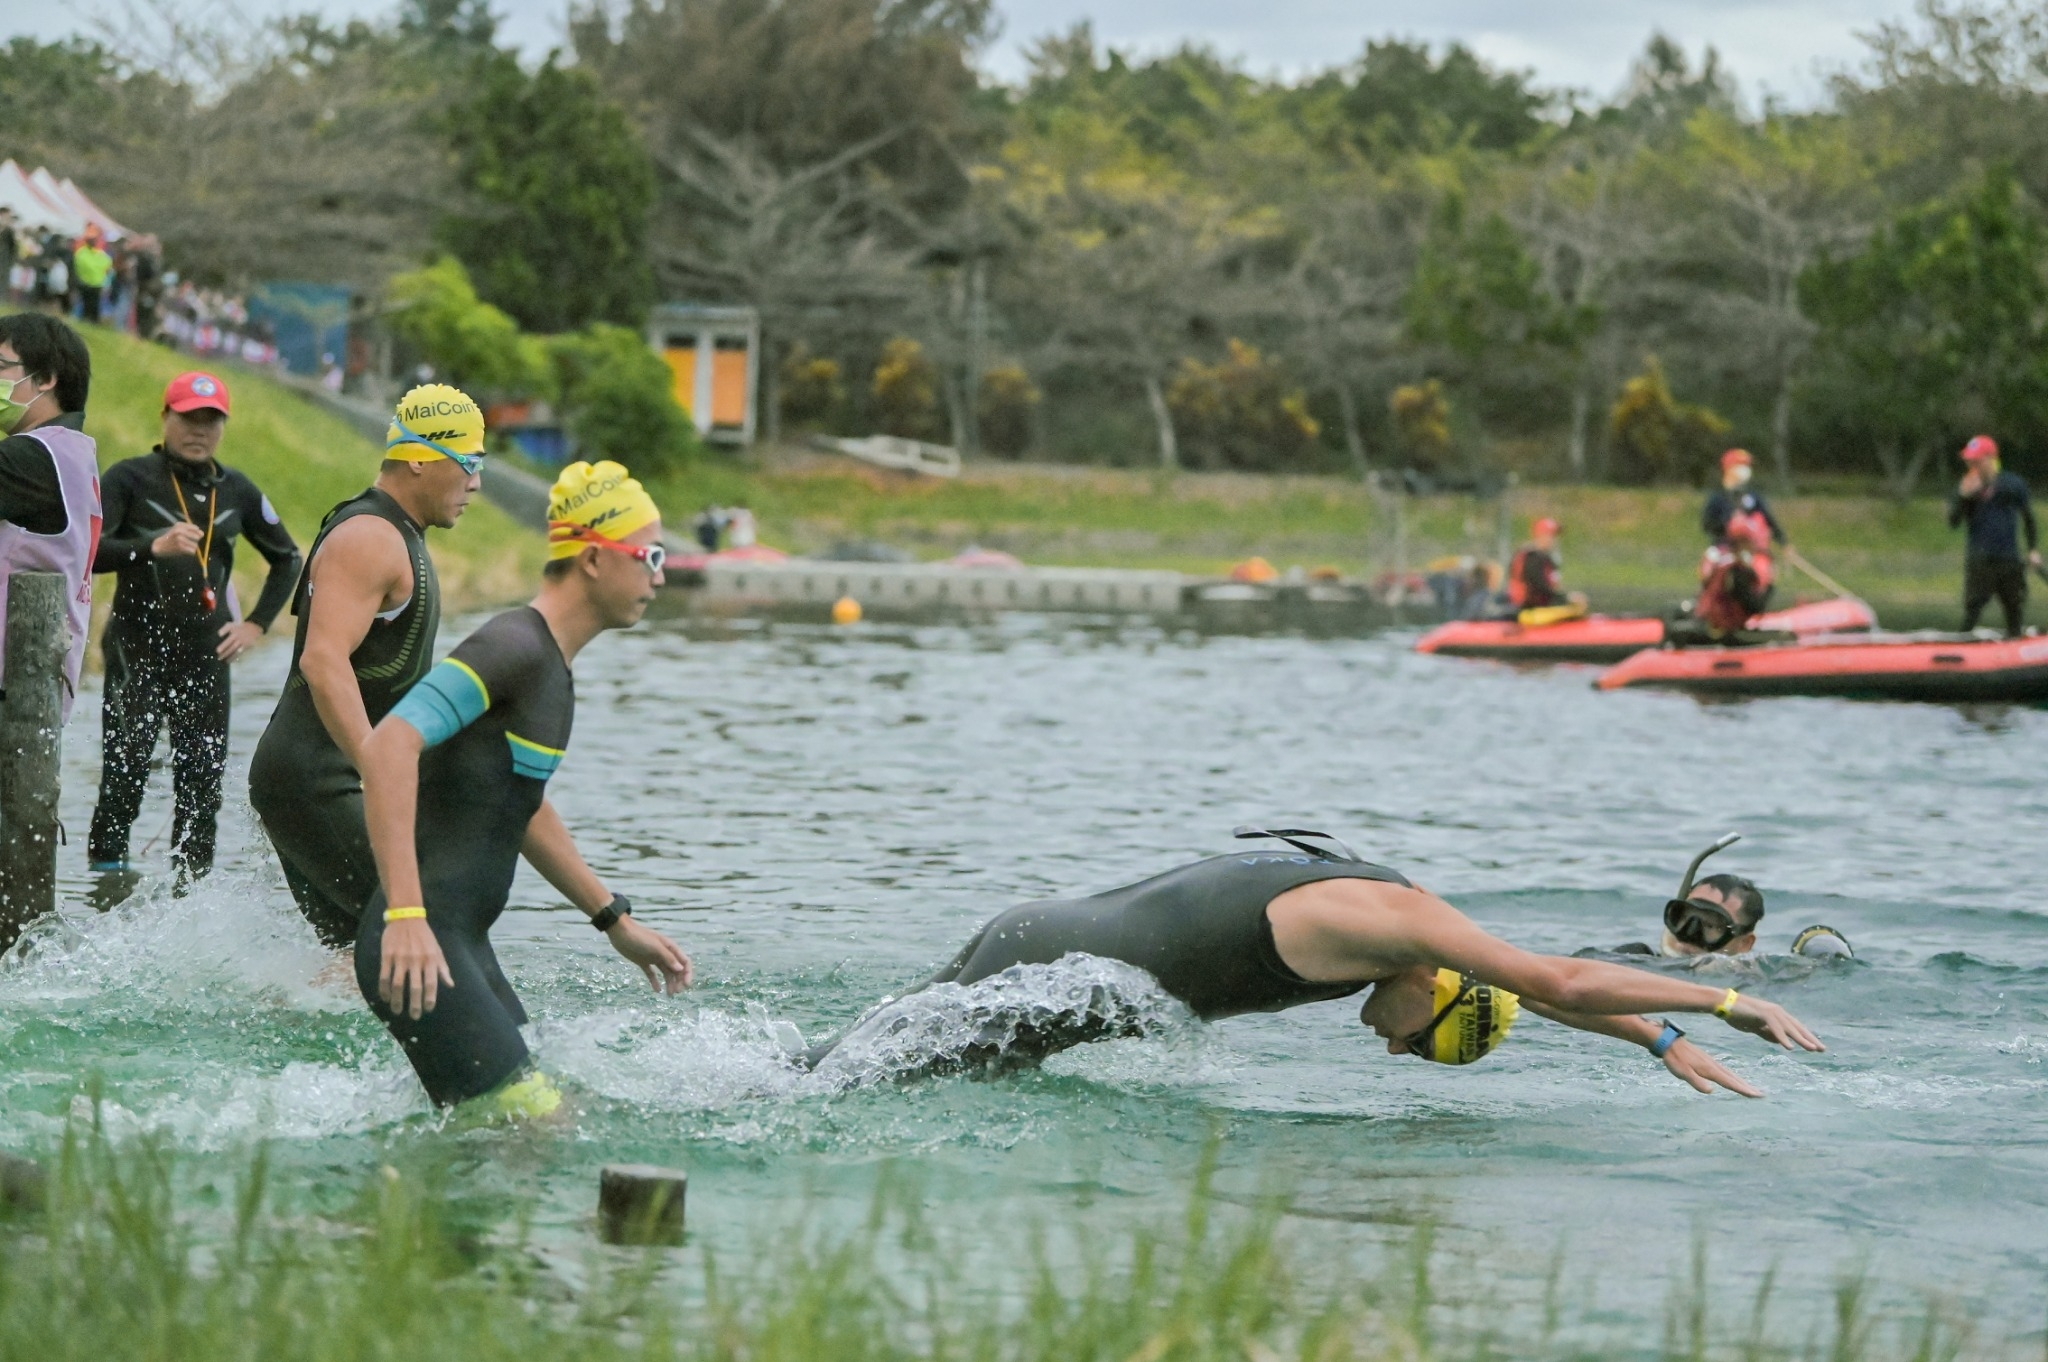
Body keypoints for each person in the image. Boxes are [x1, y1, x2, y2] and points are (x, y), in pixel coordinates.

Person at [800, 829, 1824, 1098]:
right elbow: (1549, 980)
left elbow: (1536, 985)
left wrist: (1655, 1041)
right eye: (1424, 1051)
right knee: (849, 1099)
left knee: (832, 1072)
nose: (1393, 1055)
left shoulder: (1398, 934)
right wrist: (1719, 1001)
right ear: (1432, 999)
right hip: (1056, 973)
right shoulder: (1397, 928)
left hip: (1041, 947)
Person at [356, 460, 694, 1113]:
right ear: (595, 560)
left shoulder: (550, 668)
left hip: (461, 942)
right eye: (650, 553)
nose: (659, 573)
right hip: (420, 939)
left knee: (518, 1120)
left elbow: (520, 804)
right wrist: (405, 914)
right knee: (540, 1124)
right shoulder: (511, 646)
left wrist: (613, 918)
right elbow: (387, 745)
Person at [248, 384, 483, 948]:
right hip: (317, 780)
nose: (477, 483)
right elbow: (324, 660)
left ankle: (282, 1018)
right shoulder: (371, 538)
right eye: (470, 462)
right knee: (428, 931)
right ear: (423, 460)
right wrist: (381, 771)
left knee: (366, 952)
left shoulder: (395, 534)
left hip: (320, 776)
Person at [86, 372, 302, 879]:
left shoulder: (239, 490)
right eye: (188, 417)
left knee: (202, 782)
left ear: (223, 426)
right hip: (135, 647)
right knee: (126, 770)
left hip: (208, 652)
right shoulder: (129, 478)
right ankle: (104, 882)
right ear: (166, 417)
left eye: (210, 420)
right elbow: (88, 553)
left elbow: (288, 559)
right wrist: (149, 547)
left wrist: (256, 625)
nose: (198, 430)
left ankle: (192, 892)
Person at [0, 313, 100, 722]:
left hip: (11, 682)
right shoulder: (73, 450)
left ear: (46, 379)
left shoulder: (31, 457)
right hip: (41, 678)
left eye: (2, 367)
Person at [1947, 435, 2039, 637]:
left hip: (2008, 558)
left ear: (1990, 459)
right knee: (1973, 610)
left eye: (1976, 460)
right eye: (1969, 461)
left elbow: (2029, 519)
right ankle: (1962, 647)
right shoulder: (1966, 486)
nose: (1972, 465)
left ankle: (2015, 646)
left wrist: (2032, 549)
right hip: (1980, 560)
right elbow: (1953, 522)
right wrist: (1964, 497)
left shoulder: (2012, 484)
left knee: (2014, 608)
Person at [1599, 874, 1766, 958]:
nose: (1689, 934)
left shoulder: (1751, 985)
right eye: (1685, 918)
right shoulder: (1633, 959)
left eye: (1710, 926)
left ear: (1745, 943)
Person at [1688, 512, 1776, 642]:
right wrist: (1769, 587)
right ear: (1744, 541)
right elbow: (1755, 607)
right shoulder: (1737, 571)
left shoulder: (1721, 564)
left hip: (1709, 624)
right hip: (1724, 633)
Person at [1700, 449, 1787, 546]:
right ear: (1729, 468)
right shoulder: (1717, 497)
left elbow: (1767, 519)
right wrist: (1728, 525)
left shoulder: (1753, 496)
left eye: (1747, 466)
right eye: (1741, 466)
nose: (1745, 470)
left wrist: (1782, 541)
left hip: (1751, 547)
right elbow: (1707, 524)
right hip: (1723, 547)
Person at [1504, 517, 1585, 620]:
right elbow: (1540, 586)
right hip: (1530, 610)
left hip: (1538, 608)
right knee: (1575, 610)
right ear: (1540, 536)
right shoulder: (1532, 557)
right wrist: (1568, 598)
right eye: (1550, 535)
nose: (1554, 540)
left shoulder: (1543, 557)